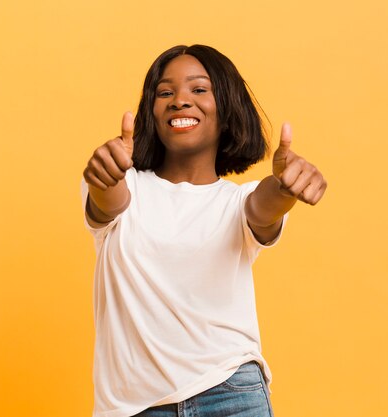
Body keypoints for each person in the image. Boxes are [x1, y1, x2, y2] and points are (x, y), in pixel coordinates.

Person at [79, 44, 327, 417]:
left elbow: (263, 208)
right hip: (133, 408)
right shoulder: (127, 187)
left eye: (199, 90)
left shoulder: (237, 203)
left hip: (231, 394)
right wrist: (104, 170)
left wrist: (285, 186)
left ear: (226, 110)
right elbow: (106, 197)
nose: (180, 101)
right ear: (152, 110)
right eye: (166, 92)